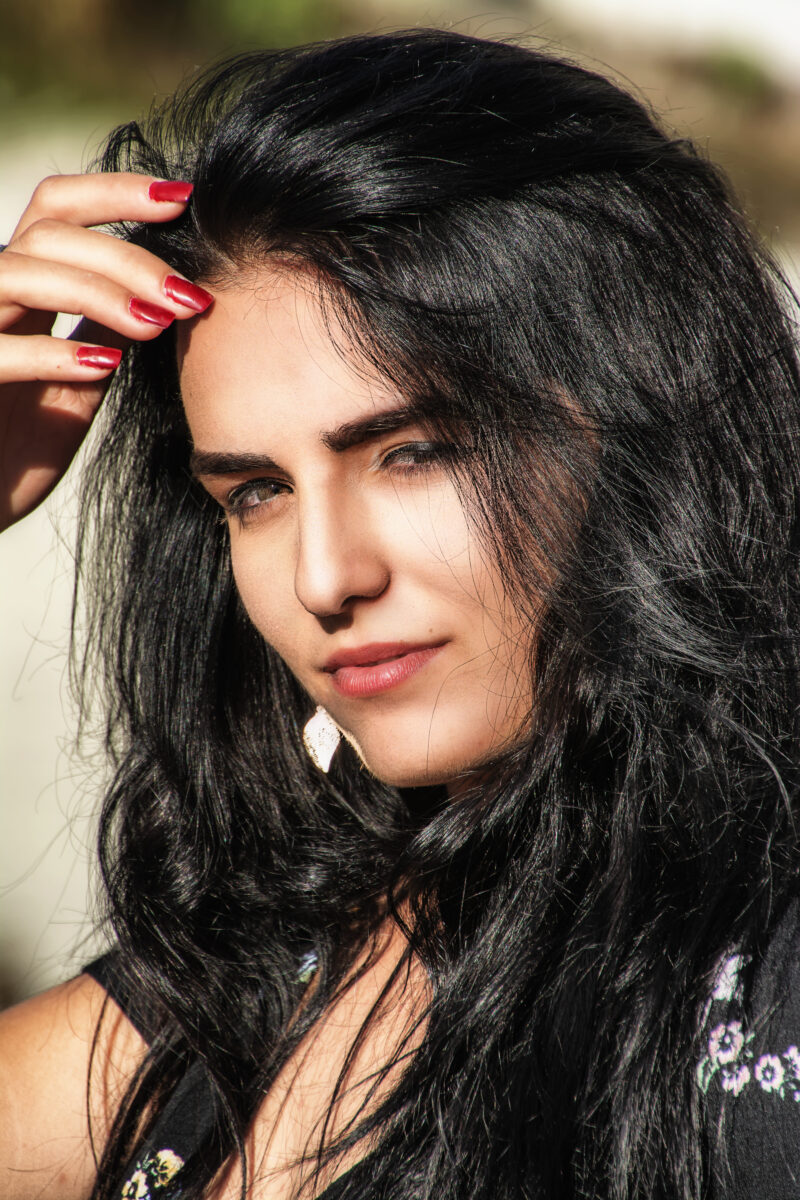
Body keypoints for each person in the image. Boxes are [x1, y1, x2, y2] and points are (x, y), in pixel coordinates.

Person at [1, 27, 800, 1200]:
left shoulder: (758, 995)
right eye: (255, 492)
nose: (325, 578)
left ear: (636, 422)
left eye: (413, 452)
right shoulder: (255, 975)